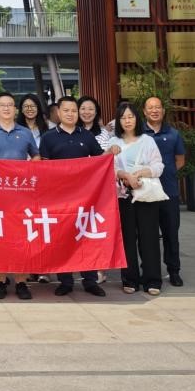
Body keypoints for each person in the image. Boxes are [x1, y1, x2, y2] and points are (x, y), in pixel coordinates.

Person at [38, 96, 107, 299]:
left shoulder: (87, 135)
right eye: (66, 110)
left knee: (85, 238)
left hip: (85, 197)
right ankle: (65, 281)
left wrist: (110, 153)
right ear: (58, 113)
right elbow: (43, 167)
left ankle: (90, 281)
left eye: (74, 111)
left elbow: (99, 162)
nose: (70, 114)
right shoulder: (48, 137)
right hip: (58, 198)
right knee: (62, 239)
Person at [0, 91, 39, 300]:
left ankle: (21, 282)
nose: (6, 108)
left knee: (21, 240)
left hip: (21, 195)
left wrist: (29, 168)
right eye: (2, 105)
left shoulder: (25, 133)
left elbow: (36, 157)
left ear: (15, 109)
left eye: (10, 105)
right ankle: (0, 282)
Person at [110, 101, 165, 296]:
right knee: (127, 239)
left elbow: (158, 166)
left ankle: (152, 280)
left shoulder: (147, 141)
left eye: (130, 117)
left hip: (146, 195)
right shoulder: (113, 142)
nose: (127, 121)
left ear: (137, 119)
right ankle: (130, 279)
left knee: (149, 238)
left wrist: (140, 174)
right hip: (123, 196)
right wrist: (126, 176)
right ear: (118, 121)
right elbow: (109, 167)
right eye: (123, 118)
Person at [142, 96, 187, 287]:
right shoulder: (138, 134)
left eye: (158, 107)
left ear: (163, 110)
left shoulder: (173, 134)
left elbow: (180, 160)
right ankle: (148, 270)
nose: (154, 110)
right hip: (145, 193)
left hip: (168, 191)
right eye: (150, 108)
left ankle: (173, 270)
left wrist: (164, 174)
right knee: (147, 235)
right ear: (144, 112)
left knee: (171, 233)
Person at [77, 95, 117, 286]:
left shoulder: (104, 134)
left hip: (97, 189)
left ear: (97, 112)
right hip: (75, 189)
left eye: (91, 109)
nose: (87, 112)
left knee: (96, 228)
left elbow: (105, 159)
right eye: (83, 108)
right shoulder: (72, 131)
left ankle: (99, 269)